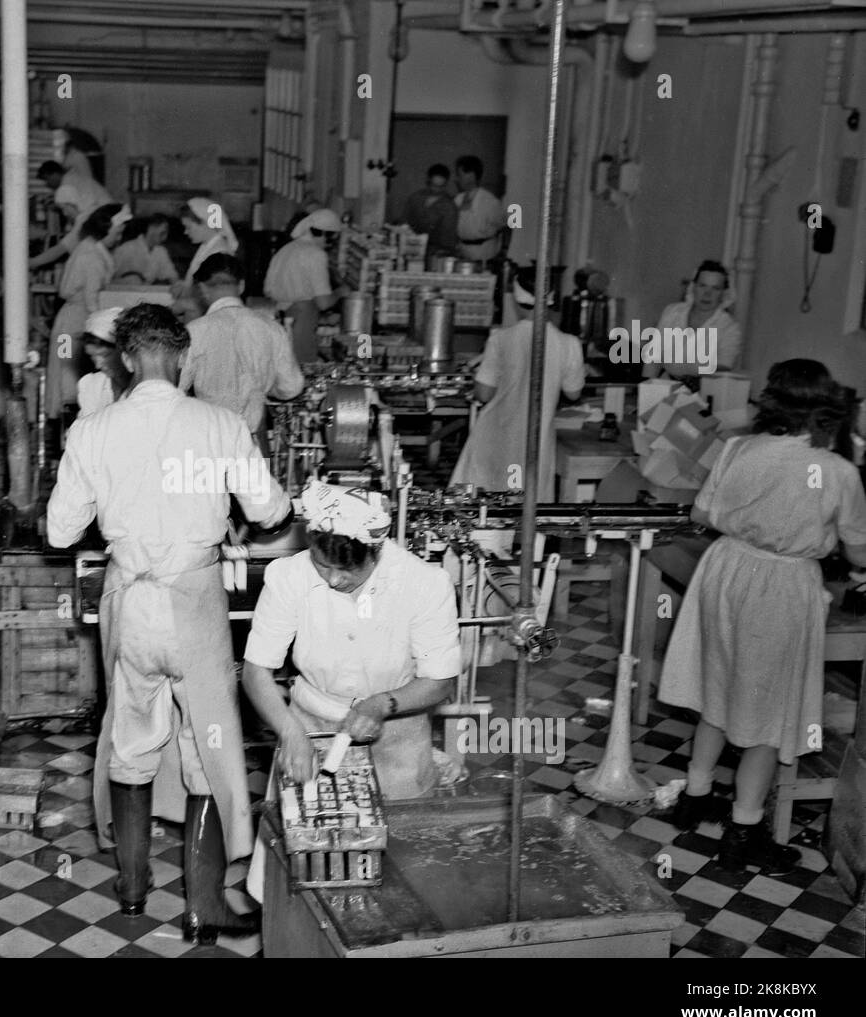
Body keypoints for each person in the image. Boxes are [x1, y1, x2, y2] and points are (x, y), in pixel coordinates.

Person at [46, 304, 291, 943]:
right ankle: (200, 907)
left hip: (130, 602)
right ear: (183, 356)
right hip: (197, 602)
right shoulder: (220, 424)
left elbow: (59, 530)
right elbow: (269, 510)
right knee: (206, 748)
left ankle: (131, 891)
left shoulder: (92, 430)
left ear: (127, 358)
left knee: (130, 741)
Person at [662, 360, 866, 874]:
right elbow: (860, 550)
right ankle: (744, 830)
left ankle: (696, 793)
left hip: (725, 570)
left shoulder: (736, 447)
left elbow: (701, 514)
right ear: (825, 410)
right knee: (767, 716)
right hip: (781, 583)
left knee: (717, 686)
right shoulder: (837, 471)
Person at [241, 481, 462, 903]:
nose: (333, 578)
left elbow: (440, 680)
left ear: (375, 552)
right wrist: (290, 734)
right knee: (305, 875)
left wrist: (382, 703)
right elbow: (256, 672)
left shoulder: (422, 583)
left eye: (348, 570)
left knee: (398, 879)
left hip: (397, 739)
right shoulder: (290, 577)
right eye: (323, 565)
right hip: (309, 727)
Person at [450, 269, 586, 501]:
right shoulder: (569, 343)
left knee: (484, 506)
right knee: (523, 504)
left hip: (496, 437)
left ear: (518, 300)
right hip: (534, 442)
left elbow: (483, 393)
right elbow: (573, 393)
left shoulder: (501, 338)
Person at [182, 253, 304, 441]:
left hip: (209, 439)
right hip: (253, 439)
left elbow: (177, 388)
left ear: (202, 289)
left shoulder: (194, 331)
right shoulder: (272, 328)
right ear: (241, 286)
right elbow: (291, 387)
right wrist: (264, 385)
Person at [47, 203, 130, 419]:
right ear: (106, 227)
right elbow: (92, 300)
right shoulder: (90, 255)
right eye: (118, 231)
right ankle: (64, 421)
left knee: (70, 370)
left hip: (76, 321)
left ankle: (67, 418)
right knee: (66, 369)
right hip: (72, 324)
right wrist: (104, 329)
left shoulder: (92, 248)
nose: (119, 237)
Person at [264, 207, 344, 365]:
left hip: (280, 318)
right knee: (303, 371)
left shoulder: (286, 249)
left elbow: (269, 289)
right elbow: (324, 302)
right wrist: (341, 292)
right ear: (326, 235)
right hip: (301, 324)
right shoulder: (316, 254)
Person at [644, 260, 742, 382]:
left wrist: (689, 375)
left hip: (706, 390)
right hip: (666, 385)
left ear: (724, 293)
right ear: (693, 287)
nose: (707, 294)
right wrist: (646, 387)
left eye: (715, 288)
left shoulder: (729, 328)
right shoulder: (672, 312)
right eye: (702, 286)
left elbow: (724, 367)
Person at [29, 160, 115, 271]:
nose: (64, 213)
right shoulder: (74, 183)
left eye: (64, 208)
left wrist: (32, 262)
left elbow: (61, 249)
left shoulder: (87, 219)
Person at [171, 197, 240, 323]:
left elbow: (214, 297)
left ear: (204, 223)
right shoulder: (206, 247)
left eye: (188, 227)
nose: (186, 232)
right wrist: (185, 286)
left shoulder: (219, 251)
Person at [77, 306, 131, 415]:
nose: (97, 365)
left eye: (105, 355)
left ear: (123, 351)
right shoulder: (93, 386)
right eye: (92, 356)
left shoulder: (144, 389)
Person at [453, 155, 506, 263]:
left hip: (484, 254)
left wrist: (503, 251)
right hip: (462, 253)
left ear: (471, 176)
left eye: (459, 175)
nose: (457, 179)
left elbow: (507, 225)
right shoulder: (457, 199)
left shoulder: (489, 201)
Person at [404, 164, 459, 260]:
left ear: (446, 184)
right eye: (433, 185)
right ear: (428, 180)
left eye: (440, 187)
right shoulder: (416, 198)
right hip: (411, 249)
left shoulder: (449, 206)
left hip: (436, 254)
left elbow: (448, 239)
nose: (436, 190)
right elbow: (404, 221)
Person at [113, 215, 179, 285]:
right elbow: (109, 277)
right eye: (163, 233)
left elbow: (171, 275)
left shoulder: (161, 251)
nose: (165, 238)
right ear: (151, 228)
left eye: (166, 234)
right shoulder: (127, 248)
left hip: (147, 292)